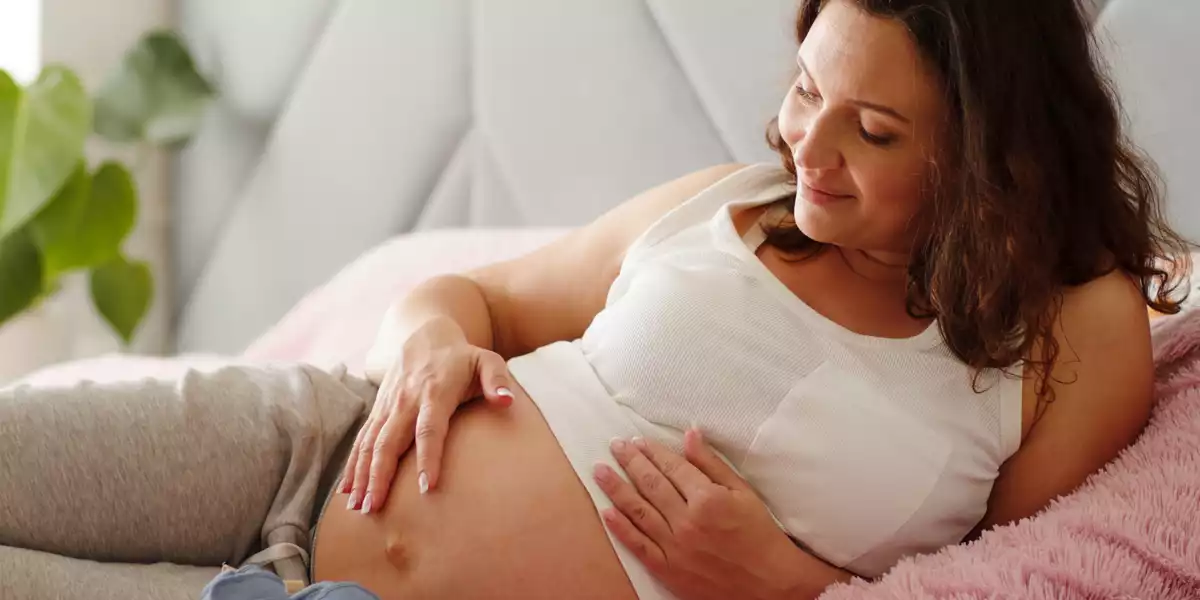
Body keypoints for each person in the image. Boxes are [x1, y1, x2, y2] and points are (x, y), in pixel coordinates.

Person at [0, 1, 1189, 599]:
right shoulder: (736, 198)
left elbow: (1000, 583)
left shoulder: (1069, 337)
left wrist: (789, 585)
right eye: (804, 89)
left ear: (994, 159)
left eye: (872, 131)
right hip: (303, 449)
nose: (804, 145)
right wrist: (422, 349)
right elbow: (470, 294)